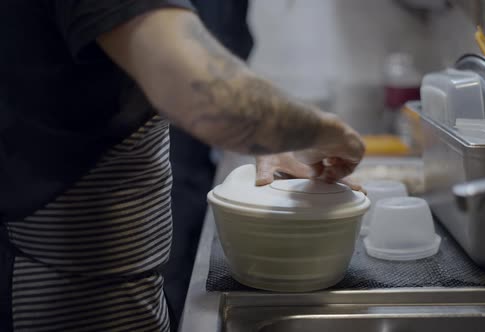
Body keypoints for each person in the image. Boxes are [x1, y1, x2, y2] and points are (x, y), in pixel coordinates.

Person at [0, 1, 365, 332]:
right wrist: (319, 131)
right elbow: (203, 91)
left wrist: (267, 137)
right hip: (61, 294)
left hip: (117, 281)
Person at [163, 0, 254, 325]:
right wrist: (291, 132)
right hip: (164, 170)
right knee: (170, 276)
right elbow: (201, 76)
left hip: (189, 157)